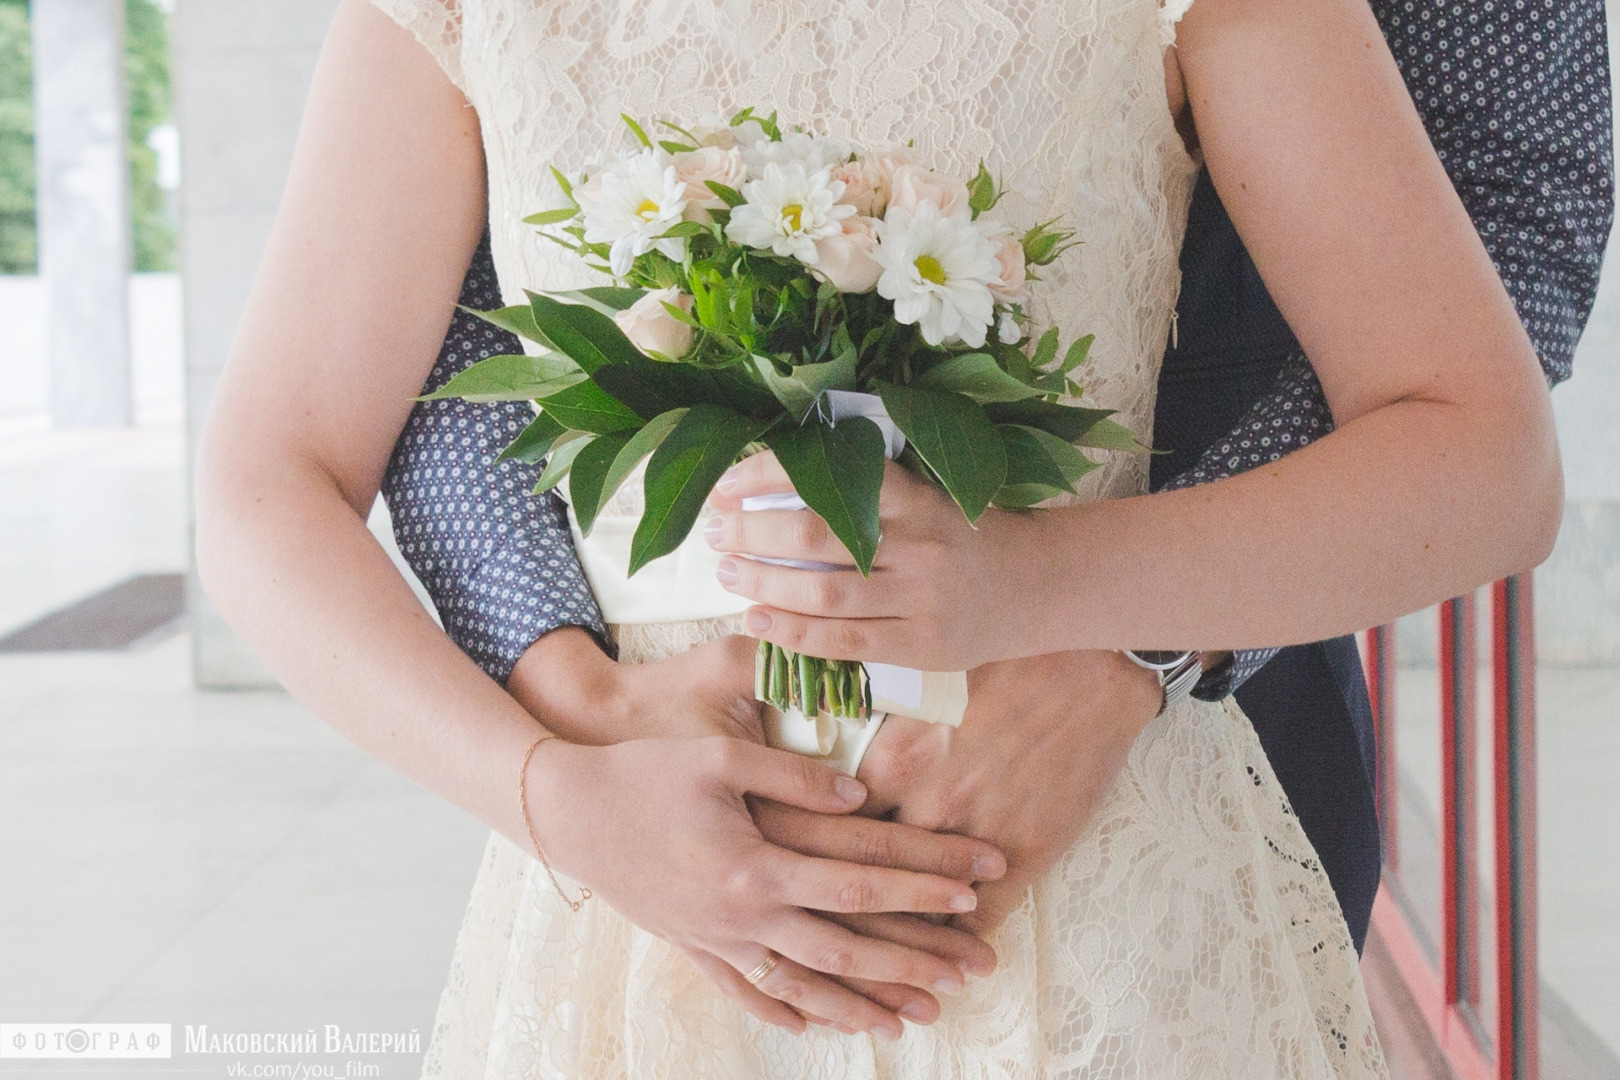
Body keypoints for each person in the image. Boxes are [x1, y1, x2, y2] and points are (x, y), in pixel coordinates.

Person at [192, 0, 1573, 1075]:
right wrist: (554, 792)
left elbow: (1484, 453)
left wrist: (1050, 591)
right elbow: (272, 478)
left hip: (1099, 892)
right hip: (637, 906)